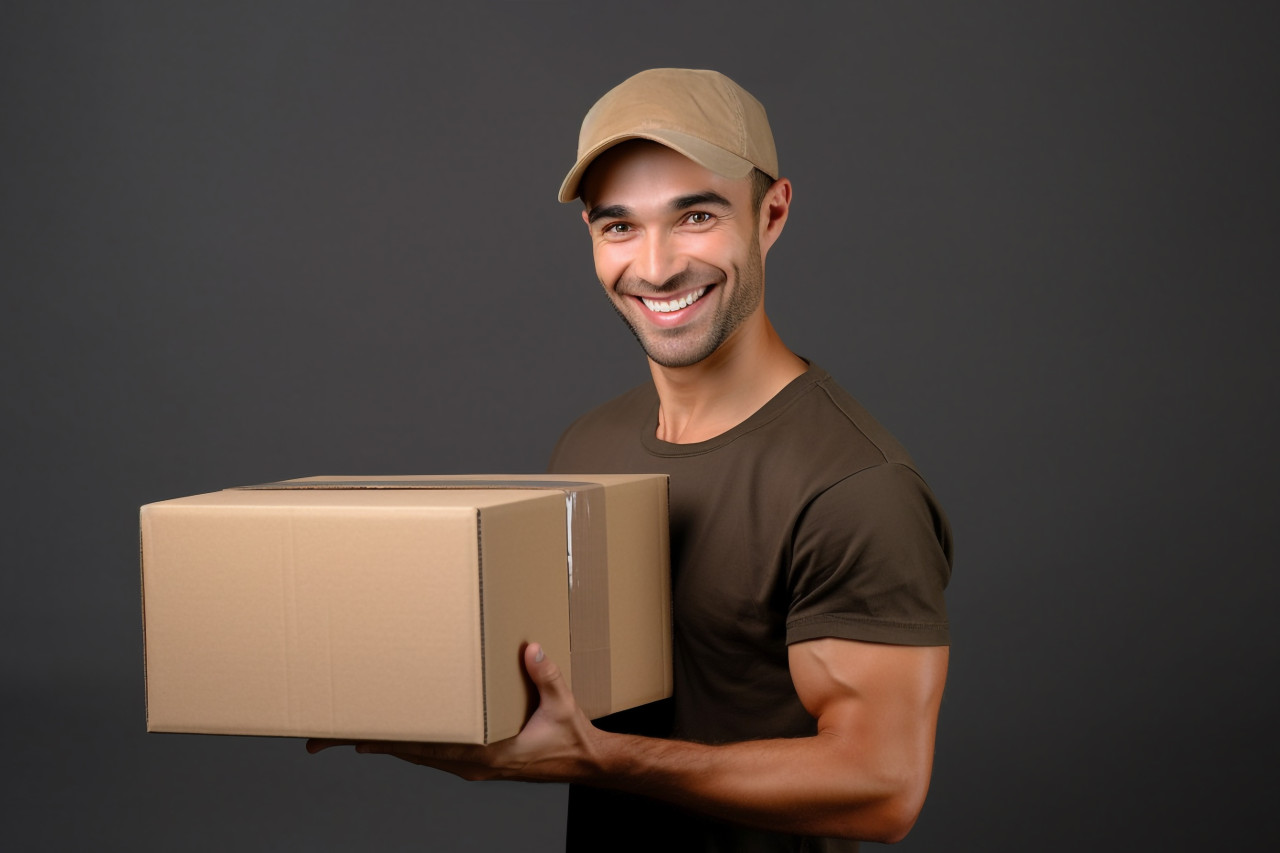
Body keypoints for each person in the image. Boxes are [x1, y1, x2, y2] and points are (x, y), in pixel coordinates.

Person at [310, 68, 952, 851]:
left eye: (696, 216)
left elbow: (882, 786)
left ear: (772, 213)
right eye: (619, 226)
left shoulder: (853, 485)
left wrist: (607, 759)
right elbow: (552, 694)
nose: (654, 267)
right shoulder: (590, 448)